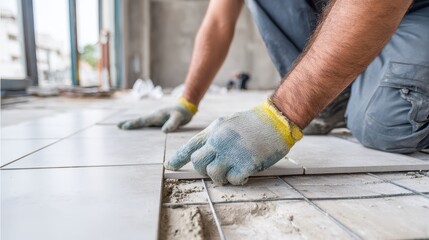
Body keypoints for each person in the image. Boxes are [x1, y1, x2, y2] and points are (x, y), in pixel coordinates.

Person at [118, 0, 429, 185]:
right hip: (340, 17)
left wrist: (282, 114)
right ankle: (334, 99)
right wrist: (187, 101)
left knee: (386, 122)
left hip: (412, 11)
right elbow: (217, 21)